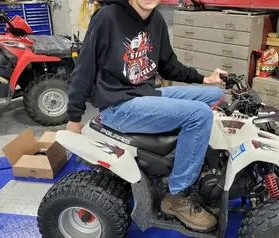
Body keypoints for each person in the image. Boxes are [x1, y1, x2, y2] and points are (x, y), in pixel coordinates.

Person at [67, 0, 227, 231]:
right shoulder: (107, 17)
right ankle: (177, 196)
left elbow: (169, 66)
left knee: (214, 96)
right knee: (200, 115)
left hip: (146, 94)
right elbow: (84, 69)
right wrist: (74, 118)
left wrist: (204, 79)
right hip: (118, 105)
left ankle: (196, 163)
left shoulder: (156, 20)